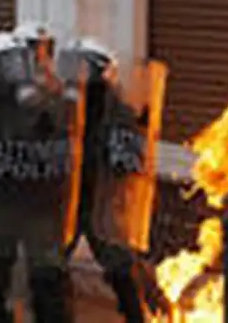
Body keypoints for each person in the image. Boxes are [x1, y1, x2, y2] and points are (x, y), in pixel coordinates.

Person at [56, 37, 171, 322]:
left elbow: (128, 157)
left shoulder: (115, 110)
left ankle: (144, 312)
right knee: (52, 267)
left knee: (119, 265)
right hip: (71, 196)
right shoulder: (64, 105)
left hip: (101, 200)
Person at [0, 31, 82, 323]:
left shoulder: (46, 99)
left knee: (48, 277)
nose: (18, 69)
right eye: (9, 63)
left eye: (20, 61)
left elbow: (61, 132)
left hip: (39, 202)